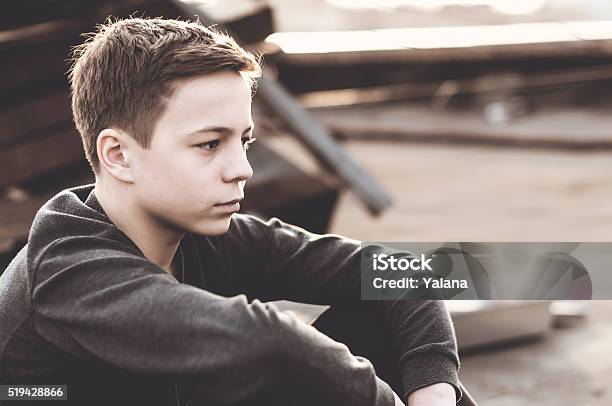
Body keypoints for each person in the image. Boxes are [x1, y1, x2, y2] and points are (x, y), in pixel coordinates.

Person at [0, 17, 476, 406]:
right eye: (210, 144)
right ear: (118, 155)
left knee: (375, 314)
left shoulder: (206, 235)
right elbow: (267, 344)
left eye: (243, 140)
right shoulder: (69, 270)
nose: (242, 169)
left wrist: (433, 387)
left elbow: (400, 272)